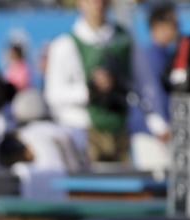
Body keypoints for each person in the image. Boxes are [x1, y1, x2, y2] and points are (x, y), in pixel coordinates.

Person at [44, 0, 132, 163]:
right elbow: (53, 95)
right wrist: (91, 89)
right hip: (82, 134)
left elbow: (137, 85)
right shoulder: (64, 44)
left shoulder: (124, 40)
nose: (98, 4)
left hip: (119, 132)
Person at [128, 3, 178, 173]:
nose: (175, 29)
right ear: (157, 26)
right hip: (151, 135)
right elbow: (149, 93)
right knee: (155, 186)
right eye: (172, 24)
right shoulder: (148, 56)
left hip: (163, 133)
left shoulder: (167, 55)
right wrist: (160, 126)